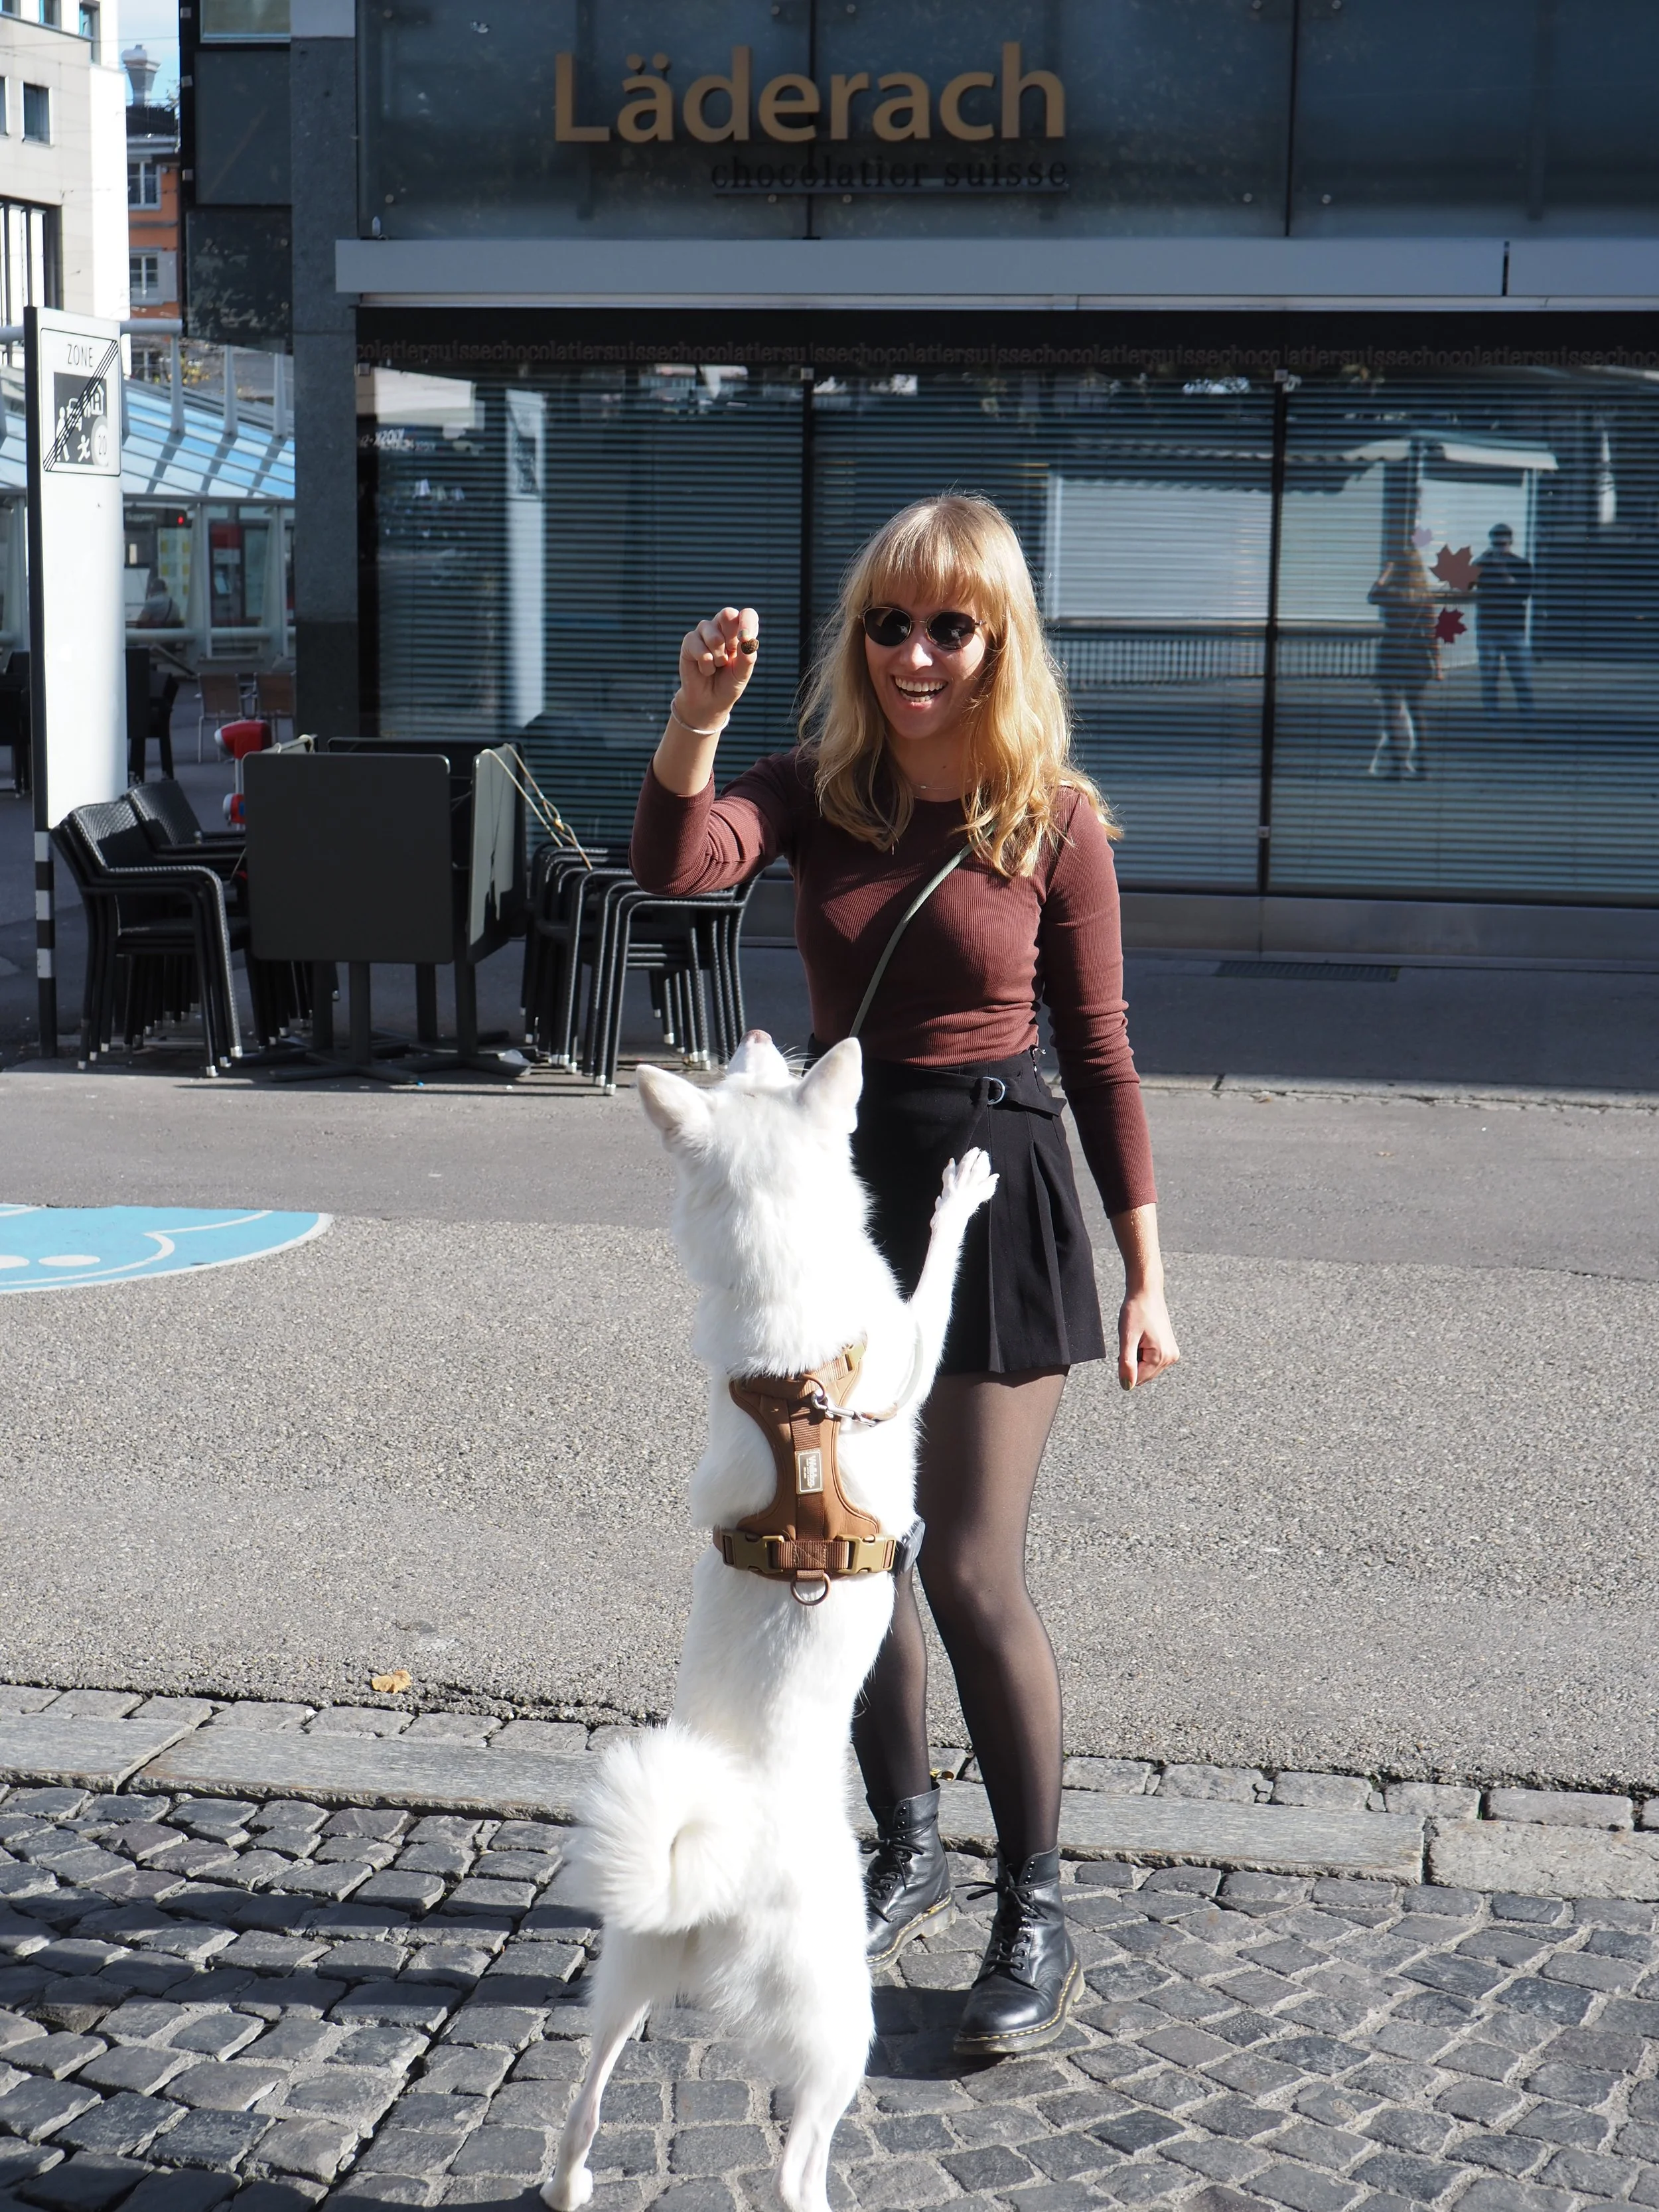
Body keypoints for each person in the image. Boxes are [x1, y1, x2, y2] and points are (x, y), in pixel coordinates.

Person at [630, 494, 1179, 2058]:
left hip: (993, 1193)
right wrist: (695, 717)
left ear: (999, 641)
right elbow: (680, 868)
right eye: (889, 623)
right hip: (842, 1197)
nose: (916, 654)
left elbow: (1102, 1053)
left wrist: (1146, 1274)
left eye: (951, 626)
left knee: (970, 1565)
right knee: (848, 1540)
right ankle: (908, 1843)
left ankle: (1034, 1903)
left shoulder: (1051, 820)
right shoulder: (816, 787)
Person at [1366, 544, 1440, 778]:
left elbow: (1372, 596)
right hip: (1417, 656)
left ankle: (1397, 766)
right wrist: (1437, 666)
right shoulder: (1425, 597)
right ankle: (1423, 766)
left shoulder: (1390, 593)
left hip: (1392, 652)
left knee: (1392, 712)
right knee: (1417, 711)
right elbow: (1431, 634)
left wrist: (1386, 572)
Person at [1472, 522, 1535, 720]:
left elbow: (1524, 593)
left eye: (1502, 544)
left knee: (1521, 675)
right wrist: (1477, 564)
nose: (1499, 549)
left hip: (1512, 627)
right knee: (1489, 675)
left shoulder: (1521, 564)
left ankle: (1527, 714)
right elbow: (1465, 585)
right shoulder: (1483, 564)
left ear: (1510, 542)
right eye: (1495, 544)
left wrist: (1504, 572)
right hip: (1487, 627)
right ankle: (1492, 715)